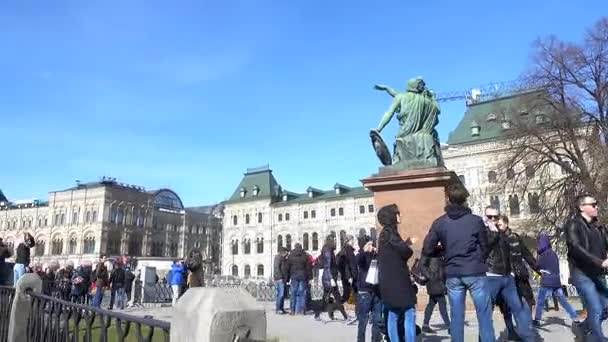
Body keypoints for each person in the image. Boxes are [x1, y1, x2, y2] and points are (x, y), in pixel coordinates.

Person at [422, 184, 495, 342]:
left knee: (456, 316)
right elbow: (485, 246)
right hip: (475, 271)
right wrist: (479, 260)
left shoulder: (440, 223)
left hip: (453, 273)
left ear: (448, 199)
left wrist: (429, 259)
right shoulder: (475, 221)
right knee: (484, 316)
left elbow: (427, 246)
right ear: (465, 200)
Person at [484, 208, 534, 342]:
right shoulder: (484, 233)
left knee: (518, 308)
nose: (493, 220)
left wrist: (512, 271)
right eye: (490, 217)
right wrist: (493, 233)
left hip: (507, 277)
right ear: (486, 217)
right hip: (492, 276)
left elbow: (517, 253)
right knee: (486, 312)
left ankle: (529, 338)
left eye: (496, 217)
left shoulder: (503, 235)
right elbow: (483, 250)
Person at [565, 194, 608, 341]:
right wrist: (598, 261)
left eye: (596, 204)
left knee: (606, 307)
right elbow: (576, 247)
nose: (597, 207)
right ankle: (596, 338)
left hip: (597, 273)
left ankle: (584, 328)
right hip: (581, 273)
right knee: (595, 307)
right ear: (582, 207)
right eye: (593, 204)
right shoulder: (573, 225)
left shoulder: (599, 227)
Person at [494, 215, 539, 340]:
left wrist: (537, 268)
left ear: (506, 224)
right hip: (504, 276)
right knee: (505, 306)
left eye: (500, 224)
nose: (498, 227)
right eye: (497, 225)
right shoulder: (495, 239)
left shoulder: (515, 238)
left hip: (519, 275)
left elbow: (526, 254)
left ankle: (526, 329)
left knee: (526, 301)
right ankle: (512, 331)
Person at [377, 204, 417, 342]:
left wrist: (406, 243)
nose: (400, 215)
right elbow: (403, 252)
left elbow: (396, 251)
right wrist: (409, 244)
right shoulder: (391, 233)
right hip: (399, 283)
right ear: (391, 217)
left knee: (393, 314)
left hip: (388, 283)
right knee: (409, 312)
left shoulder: (384, 234)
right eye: (397, 213)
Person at [534, 233, 579, 324]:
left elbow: (537, 266)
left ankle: (537, 319)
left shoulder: (541, 254)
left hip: (547, 281)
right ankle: (574, 317)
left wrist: (540, 269)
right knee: (563, 301)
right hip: (556, 281)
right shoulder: (553, 253)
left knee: (541, 301)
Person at [356, 235, 382, 342]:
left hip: (376, 291)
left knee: (377, 320)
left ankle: (375, 340)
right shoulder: (362, 256)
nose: (372, 246)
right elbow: (358, 261)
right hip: (365, 291)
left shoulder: (375, 256)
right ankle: (360, 340)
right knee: (363, 319)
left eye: (372, 244)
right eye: (369, 244)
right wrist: (364, 250)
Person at [420, 244, 450, 334]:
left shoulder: (437, 253)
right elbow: (426, 267)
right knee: (442, 305)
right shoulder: (433, 253)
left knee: (431, 304)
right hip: (436, 283)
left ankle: (425, 324)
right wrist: (432, 277)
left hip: (435, 283)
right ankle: (449, 326)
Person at [285, 243, 312, 315]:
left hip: (293, 276)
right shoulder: (305, 256)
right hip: (303, 276)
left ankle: (292, 310)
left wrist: (287, 278)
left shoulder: (290, 256)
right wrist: (310, 277)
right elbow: (308, 267)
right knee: (302, 293)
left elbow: (287, 268)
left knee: (293, 293)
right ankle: (302, 310)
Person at [320, 236, 341, 315]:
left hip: (329, 275)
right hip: (329, 276)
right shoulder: (327, 250)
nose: (336, 242)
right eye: (334, 240)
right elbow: (328, 265)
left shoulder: (329, 249)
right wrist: (331, 278)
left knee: (327, 292)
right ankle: (339, 308)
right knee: (335, 292)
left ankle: (324, 307)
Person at [337, 234, 358, 304]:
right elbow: (347, 264)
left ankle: (347, 303)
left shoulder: (345, 249)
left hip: (346, 275)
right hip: (349, 275)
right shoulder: (348, 250)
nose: (353, 242)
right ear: (349, 241)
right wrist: (349, 276)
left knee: (347, 292)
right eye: (352, 240)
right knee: (349, 292)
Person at [273, 247, 288, 314]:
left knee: (282, 294)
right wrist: (280, 277)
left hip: (282, 278)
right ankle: (278, 309)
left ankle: (281, 308)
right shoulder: (278, 258)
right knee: (280, 294)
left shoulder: (282, 258)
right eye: (286, 252)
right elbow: (277, 268)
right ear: (283, 252)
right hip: (279, 279)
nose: (287, 254)